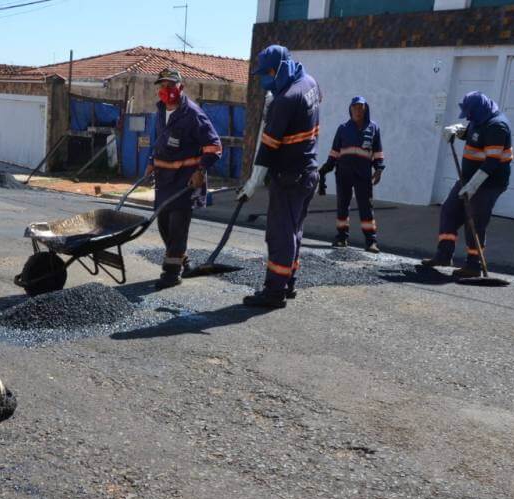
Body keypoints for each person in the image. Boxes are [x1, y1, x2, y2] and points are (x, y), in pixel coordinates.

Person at [237, 45, 320, 308]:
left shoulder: (285, 101)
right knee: (294, 231)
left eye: (268, 74)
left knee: (279, 235)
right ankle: (288, 283)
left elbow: (267, 148)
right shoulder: (309, 82)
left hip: (289, 177)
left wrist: (251, 184)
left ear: (280, 69)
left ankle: (274, 292)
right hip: (308, 172)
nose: (264, 80)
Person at [145, 68, 223, 289]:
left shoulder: (193, 114)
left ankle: (171, 273)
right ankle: (183, 260)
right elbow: (159, 142)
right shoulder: (160, 111)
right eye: (162, 86)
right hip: (163, 181)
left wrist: (201, 171)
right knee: (163, 225)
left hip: (184, 182)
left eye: (171, 85)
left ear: (181, 87)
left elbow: (214, 146)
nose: (166, 90)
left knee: (178, 227)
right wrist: (151, 161)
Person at [422, 91, 513, 277]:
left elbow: (491, 163)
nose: (468, 118)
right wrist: (458, 130)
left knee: (475, 220)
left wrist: (472, 187)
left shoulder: (497, 127)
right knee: (449, 209)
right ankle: (444, 255)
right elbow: (473, 134)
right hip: (467, 178)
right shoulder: (480, 117)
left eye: (470, 115)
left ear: (478, 111)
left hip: (488, 183)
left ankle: (473, 265)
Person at [319, 96, 384, 253]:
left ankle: (371, 242)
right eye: (355, 107)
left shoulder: (373, 128)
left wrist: (379, 169)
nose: (357, 110)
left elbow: (378, 151)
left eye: (361, 107)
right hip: (343, 173)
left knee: (366, 207)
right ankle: (341, 238)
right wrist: (327, 167)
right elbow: (335, 150)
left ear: (365, 108)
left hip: (363, 174)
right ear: (350, 109)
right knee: (342, 205)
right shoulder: (343, 128)